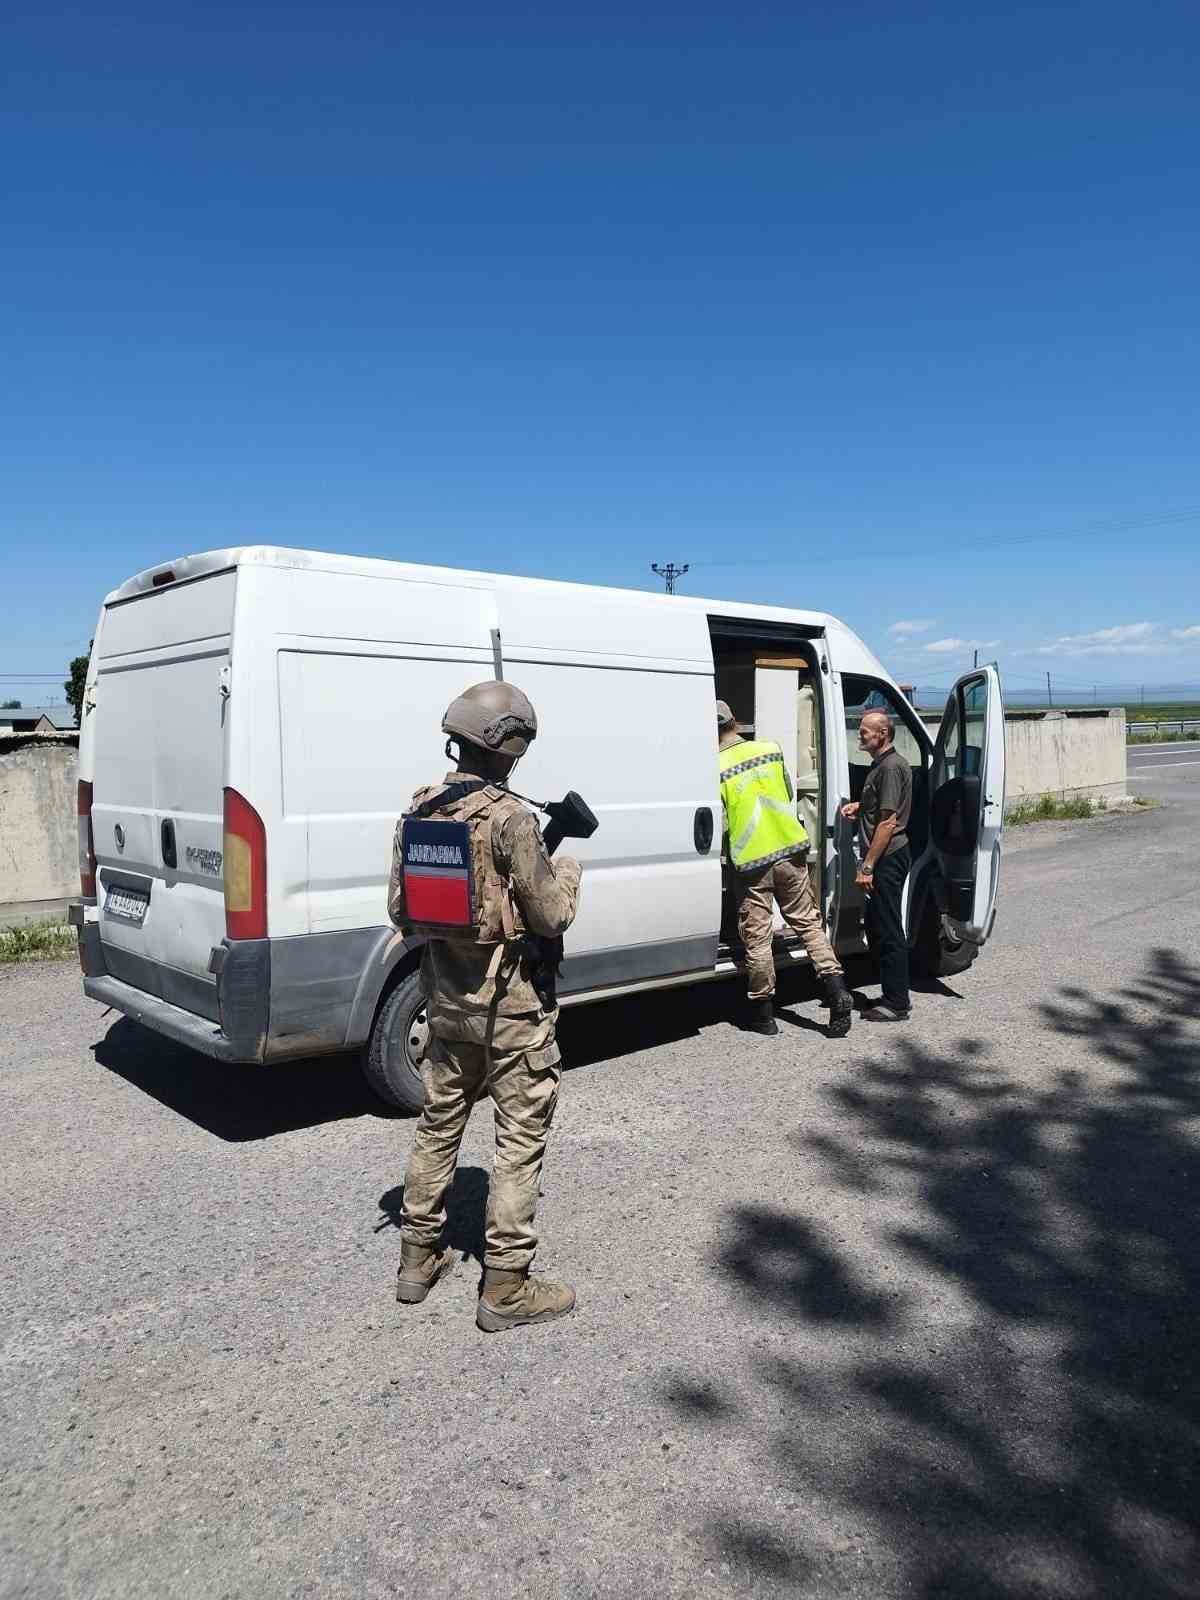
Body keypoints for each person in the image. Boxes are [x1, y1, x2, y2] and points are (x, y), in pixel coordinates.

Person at [387, 681, 583, 1333]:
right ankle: (505, 1288)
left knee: (438, 1126)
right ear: (509, 744)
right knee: (519, 1144)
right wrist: (571, 872)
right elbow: (550, 917)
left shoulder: (423, 805)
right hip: (514, 1015)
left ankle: (418, 1260)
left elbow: (399, 910)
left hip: (445, 1007)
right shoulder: (513, 819)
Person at [717, 699, 853, 1038]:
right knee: (807, 923)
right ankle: (837, 990)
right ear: (735, 720)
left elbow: (719, 820)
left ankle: (764, 1015)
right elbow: (788, 791)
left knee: (758, 938)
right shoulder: (770, 749)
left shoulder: (714, 766)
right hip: (790, 849)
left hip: (752, 863)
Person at [840, 710, 912, 1021]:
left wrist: (867, 865)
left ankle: (897, 1003)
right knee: (878, 926)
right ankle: (890, 993)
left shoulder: (892, 767)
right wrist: (861, 806)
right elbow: (880, 809)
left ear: (882, 734)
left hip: (888, 857)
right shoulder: (881, 766)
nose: (860, 734)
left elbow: (888, 823)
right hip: (883, 856)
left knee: (889, 928)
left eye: (865, 730)